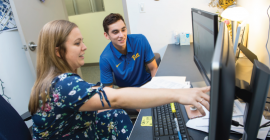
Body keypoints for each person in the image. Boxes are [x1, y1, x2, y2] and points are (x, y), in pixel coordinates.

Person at [28, 20, 210, 140]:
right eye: (77, 43)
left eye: (81, 41)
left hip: (73, 128)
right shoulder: (65, 84)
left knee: (116, 114)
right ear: (58, 52)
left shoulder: (53, 80)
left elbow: (99, 101)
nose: (84, 47)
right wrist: (178, 95)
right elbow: (113, 97)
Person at [100, 13, 158, 88]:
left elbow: (154, 68)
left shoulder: (140, 40)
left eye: (123, 30)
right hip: (126, 92)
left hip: (146, 85)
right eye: (115, 32)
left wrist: (155, 89)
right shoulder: (105, 58)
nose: (121, 35)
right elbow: (108, 90)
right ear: (106, 35)